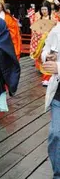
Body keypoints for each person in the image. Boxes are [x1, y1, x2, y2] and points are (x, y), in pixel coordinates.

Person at [41, 20, 60, 179]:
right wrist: (47, 55)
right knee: (56, 134)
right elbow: (47, 47)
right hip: (59, 94)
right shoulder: (57, 29)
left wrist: (59, 67)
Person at [30, 0, 56, 86]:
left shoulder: (53, 18)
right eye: (42, 9)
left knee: (49, 59)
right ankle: (45, 77)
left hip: (50, 42)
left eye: (45, 9)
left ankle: (47, 78)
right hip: (40, 42)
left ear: (48, 9)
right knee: (42, 59)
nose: (44, 11)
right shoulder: (38, 18)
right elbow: (35, 31)